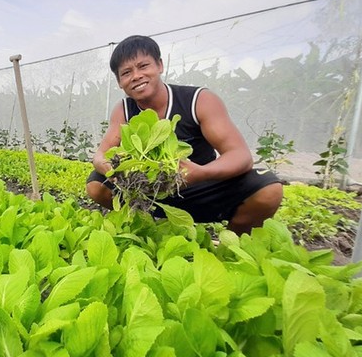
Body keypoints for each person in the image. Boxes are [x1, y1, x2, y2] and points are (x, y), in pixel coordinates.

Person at [86, 35, 283, 235]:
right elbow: (100, 155)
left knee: (268, 189)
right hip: (147, 188)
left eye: (143, 66)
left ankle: (234, 243)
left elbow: (240, 155)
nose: (136, 76)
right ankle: (146, 226)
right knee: (96, 184)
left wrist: (201, 173)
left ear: (160, 65)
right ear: (120, 82)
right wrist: (114, 170)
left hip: (198, 184)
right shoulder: (124, 110)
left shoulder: (199, 100)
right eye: (126, 72)